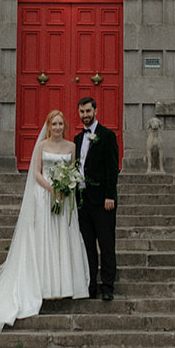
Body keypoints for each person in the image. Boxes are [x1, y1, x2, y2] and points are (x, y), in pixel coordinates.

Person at [0, 109, 89, 331]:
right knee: (44, 238)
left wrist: (66, 187)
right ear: (48, 126)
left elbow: (72, 170)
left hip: (64, 199)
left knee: (62, 238)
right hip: (45, 196)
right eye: (53, 124)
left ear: (64, 126)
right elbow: (36, 172)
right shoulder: (42, 146)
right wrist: (52, 187)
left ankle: (62, 285)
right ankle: (44, 286)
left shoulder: (71, 147)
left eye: (60, 124)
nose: (57, 128)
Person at [73, 96, 119, 301]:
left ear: (95, 111)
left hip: (102, 201)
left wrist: (110, 195)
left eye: (88, 112)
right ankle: (91, 284)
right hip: (82, 201)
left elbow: (112, 168)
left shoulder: (107, 136)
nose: (85, 116)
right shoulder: (77, 139)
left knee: (107, 243)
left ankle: (108, 285)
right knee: (88, 245)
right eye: (82, 112)